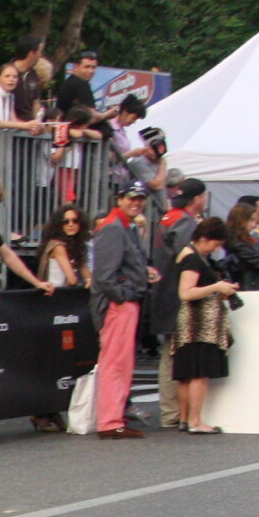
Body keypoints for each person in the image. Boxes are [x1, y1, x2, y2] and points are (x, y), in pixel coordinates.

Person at [87, 183, 153, 438]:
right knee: (115, 363)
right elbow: (104, 275)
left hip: (124, 301)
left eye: (140, 199)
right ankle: (109, 421)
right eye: (131, 198)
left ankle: (115, 418)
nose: (136, 203)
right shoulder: (114, 228)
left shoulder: (125, 226)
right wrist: (123, 296)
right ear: (120, 199)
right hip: (117, 305)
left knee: (121, 364)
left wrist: (142, 275)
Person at [171, 216, 240, 432]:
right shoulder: (193, 259)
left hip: (188, 323)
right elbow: (186, 292)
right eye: (215, 244)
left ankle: (185, 419)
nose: (216, 250)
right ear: (204, 238)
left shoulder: (187, 254)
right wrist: (217, 287)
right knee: (199, 373)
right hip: (200, 324)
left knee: (186, 374)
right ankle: (195, 421)